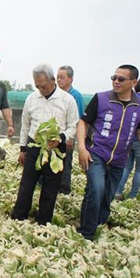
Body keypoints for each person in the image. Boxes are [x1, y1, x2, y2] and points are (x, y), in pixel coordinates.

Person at [77, 65, 140, 241]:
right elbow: (83, 122)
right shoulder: (101, 98)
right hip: (96, 153)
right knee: (96, 189)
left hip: (119, 159)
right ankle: (87, 234)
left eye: (121, 79)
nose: (116, 82)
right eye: (114, 78)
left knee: (107, 196)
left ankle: (97, 225)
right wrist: (81, 147)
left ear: (134, 82)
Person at [11, 64, 79, 225]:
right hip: (34, 146)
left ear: (52, 80)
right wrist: (22, 149)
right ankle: (18, 217)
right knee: (27, 184)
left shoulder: (67, 100)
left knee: (51, 187)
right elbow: (25, 126)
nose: (41, 89)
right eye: (37, 86)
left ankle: (43, 221)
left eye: (43, 85)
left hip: (56, 148)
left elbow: (73, 125)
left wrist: (61, 137)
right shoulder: (31, 98)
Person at [56, 65, 85, 194]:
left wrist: (71, 138)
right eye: (57, 77)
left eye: (62, 77)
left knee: (66, 163)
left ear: (70, 79)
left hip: (67, 136)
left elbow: (78, 120)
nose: (59, 80)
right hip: (54, 136)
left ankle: (64, 190)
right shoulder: (55, 93)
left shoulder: (75, 95)